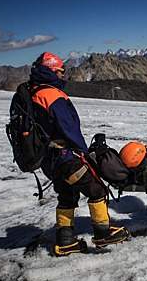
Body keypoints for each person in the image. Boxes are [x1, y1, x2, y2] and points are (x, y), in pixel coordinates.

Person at [30, 52, 129, 256]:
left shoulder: (32, 92)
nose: (63, 75)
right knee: (97, 189)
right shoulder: (51, 94)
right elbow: (69, 128)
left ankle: (65, 241)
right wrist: (84, 154)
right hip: (66, 157)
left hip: (49, 159)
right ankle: (103, 232)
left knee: (67, 196)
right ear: (51, 70)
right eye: (60, 71)